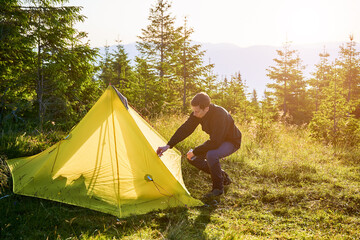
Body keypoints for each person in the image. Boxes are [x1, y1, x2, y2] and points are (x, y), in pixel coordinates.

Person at [157, 92, 242, 199]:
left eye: (196, 111)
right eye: (193, 111)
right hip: (217, 140)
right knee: (192, 158)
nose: (194, 114)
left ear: (206, 109)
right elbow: (186, 128)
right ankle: (222, 176)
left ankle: (218, 189)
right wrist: (168, 145)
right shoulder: (198, 113)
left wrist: (195, 151)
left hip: (231, 141)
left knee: (211, 154)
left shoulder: (220, 114)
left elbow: (215, 142)